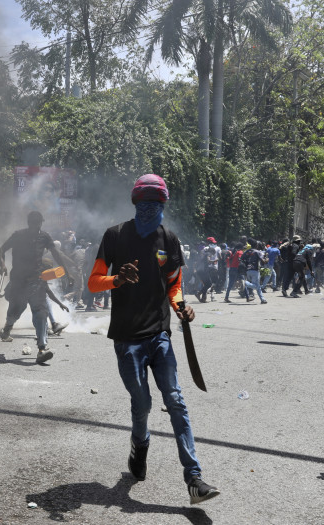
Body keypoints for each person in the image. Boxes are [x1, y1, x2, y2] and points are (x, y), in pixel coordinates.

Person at [87, 174, 220, 505]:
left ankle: (194, 479)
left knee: (175, 400)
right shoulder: (115, 236)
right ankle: (140, 442)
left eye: (156, 204)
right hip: (126, 340)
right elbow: (93, 283)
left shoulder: (169, 240)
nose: (149, 210)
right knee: (142, 404)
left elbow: (174, 283)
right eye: (144, 204)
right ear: (135, 204)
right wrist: (116, 279)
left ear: (163, 206)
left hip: (160, 335)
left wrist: (180, 307)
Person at [0, 211, 72, 364]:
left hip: (36, 281)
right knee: (15, 311)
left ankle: (42, 349)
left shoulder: (44, 236)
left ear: (41, 224)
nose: (36, 227)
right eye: (33, 224)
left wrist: (66, 271)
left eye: (38, 224)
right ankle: (7, 329)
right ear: (28, 223)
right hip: (18, 281)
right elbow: (1, 250)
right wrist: (3, 265)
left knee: (40, 313)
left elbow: (56, 254)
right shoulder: (18, 235)